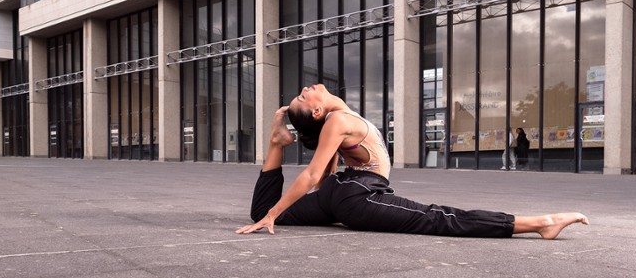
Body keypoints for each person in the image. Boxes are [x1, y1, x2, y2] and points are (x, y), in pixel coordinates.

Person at [236, 84, 588, 239]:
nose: (306, 87)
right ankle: (542, 223)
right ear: (316, 109)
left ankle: (275, 144)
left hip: (339, 194)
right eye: (302, 96)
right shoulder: (337, 120)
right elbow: (314, 174)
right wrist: (273, 217)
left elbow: (324, 175)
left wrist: (271, 212)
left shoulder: (337, 120)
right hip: (358, 197)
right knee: (439, 218)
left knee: (261, 208)